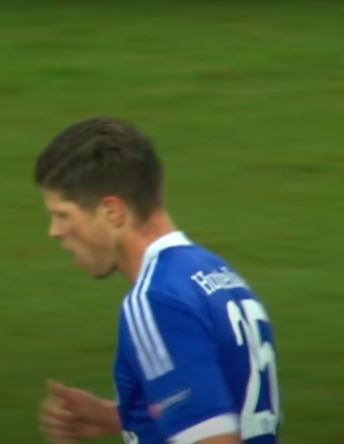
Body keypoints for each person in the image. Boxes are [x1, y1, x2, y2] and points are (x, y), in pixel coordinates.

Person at [34, 117, 280, 444]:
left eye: (63, 215)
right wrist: (122, 417)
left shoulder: (155, 301)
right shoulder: (219, 276)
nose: (55, 231)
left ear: (111, 213)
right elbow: (221, 401)